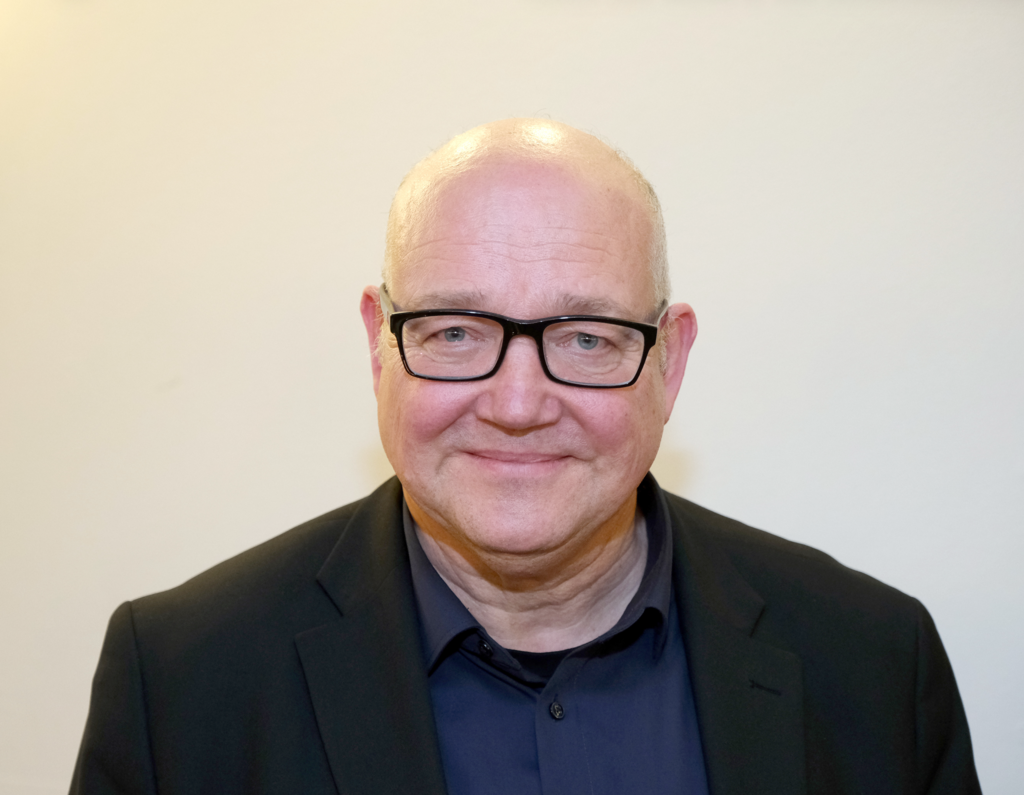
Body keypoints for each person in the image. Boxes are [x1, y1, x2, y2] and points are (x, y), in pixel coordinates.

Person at [71, 119, 981, 795]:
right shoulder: (181, 683)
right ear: (379, 346)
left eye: (586, 338)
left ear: (670, 361)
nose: (516, 405)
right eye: (455, 331)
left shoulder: (874, 663)